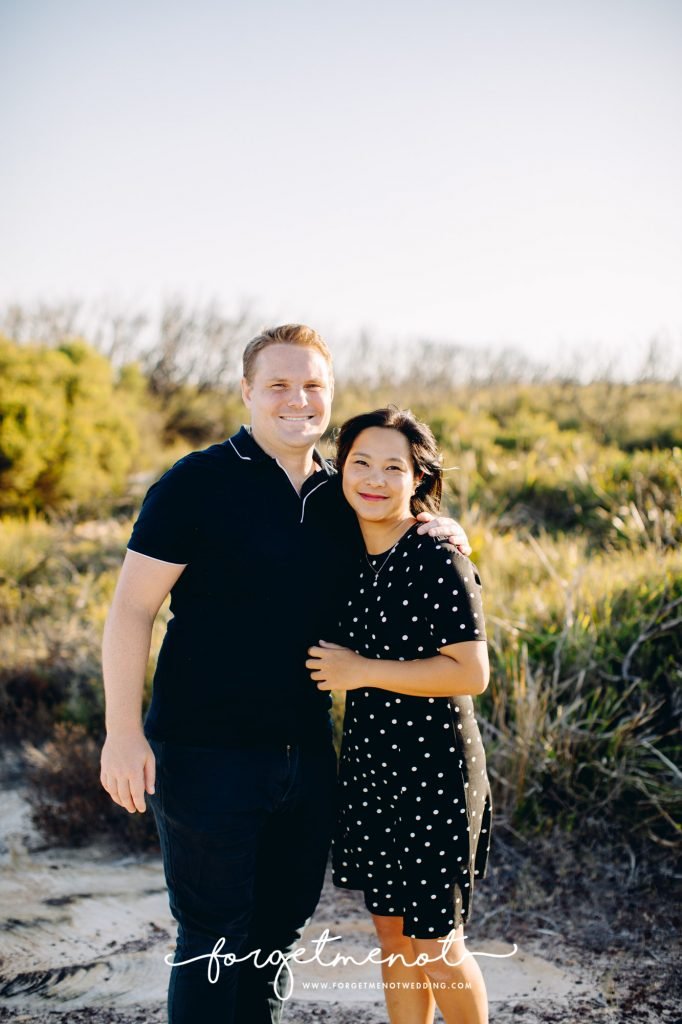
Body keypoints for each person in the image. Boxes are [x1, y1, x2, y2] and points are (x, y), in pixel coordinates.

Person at [99, 325, 470, 1024]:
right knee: (213, 940)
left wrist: (439, 527)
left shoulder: (342, 496)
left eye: (312, 386)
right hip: (205, 752)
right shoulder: (196, 484)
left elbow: (401, 521)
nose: (297, 399)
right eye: (278, 385)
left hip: (307, 757)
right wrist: (122, 733)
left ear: (328, 395)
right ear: (247, 392)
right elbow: (130, 612)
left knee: (276, 940)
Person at [307, 407, 491, 1024]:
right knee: (393, 940)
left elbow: (471, 672)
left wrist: (359, 670)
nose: (375, 479)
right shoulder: (344, 549)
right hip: (372, 771)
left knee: (438, 948)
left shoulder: (437, 555)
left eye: (394, 467)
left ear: (418, 478)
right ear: (341, 471)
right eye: (360, 462)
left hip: (434, 775)